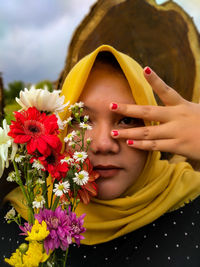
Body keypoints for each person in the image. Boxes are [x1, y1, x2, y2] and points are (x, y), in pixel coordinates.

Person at [1, 44, 200, 267]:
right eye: (82, 120)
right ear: (60, 128)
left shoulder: (192, 198)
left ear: (153, 123)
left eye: (126, 120)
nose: (104, 144)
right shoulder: (22, 219)